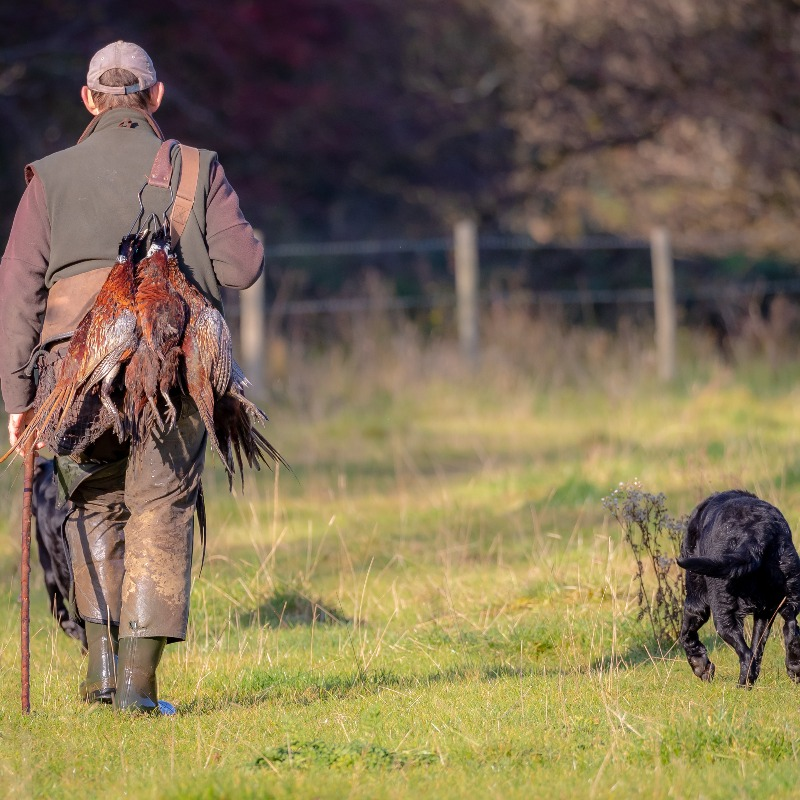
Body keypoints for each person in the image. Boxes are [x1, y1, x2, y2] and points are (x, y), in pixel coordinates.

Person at [0, 41, 264, 713]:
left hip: (75, 380)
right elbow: (243, 268)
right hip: (173, 375)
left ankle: (100, 675)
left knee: (94, 503)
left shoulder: (49, 178)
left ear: (89, 100)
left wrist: (16, 399)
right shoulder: (199, 169)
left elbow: (16, 291)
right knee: (162, 506)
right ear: (156, 97)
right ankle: (139, 693)